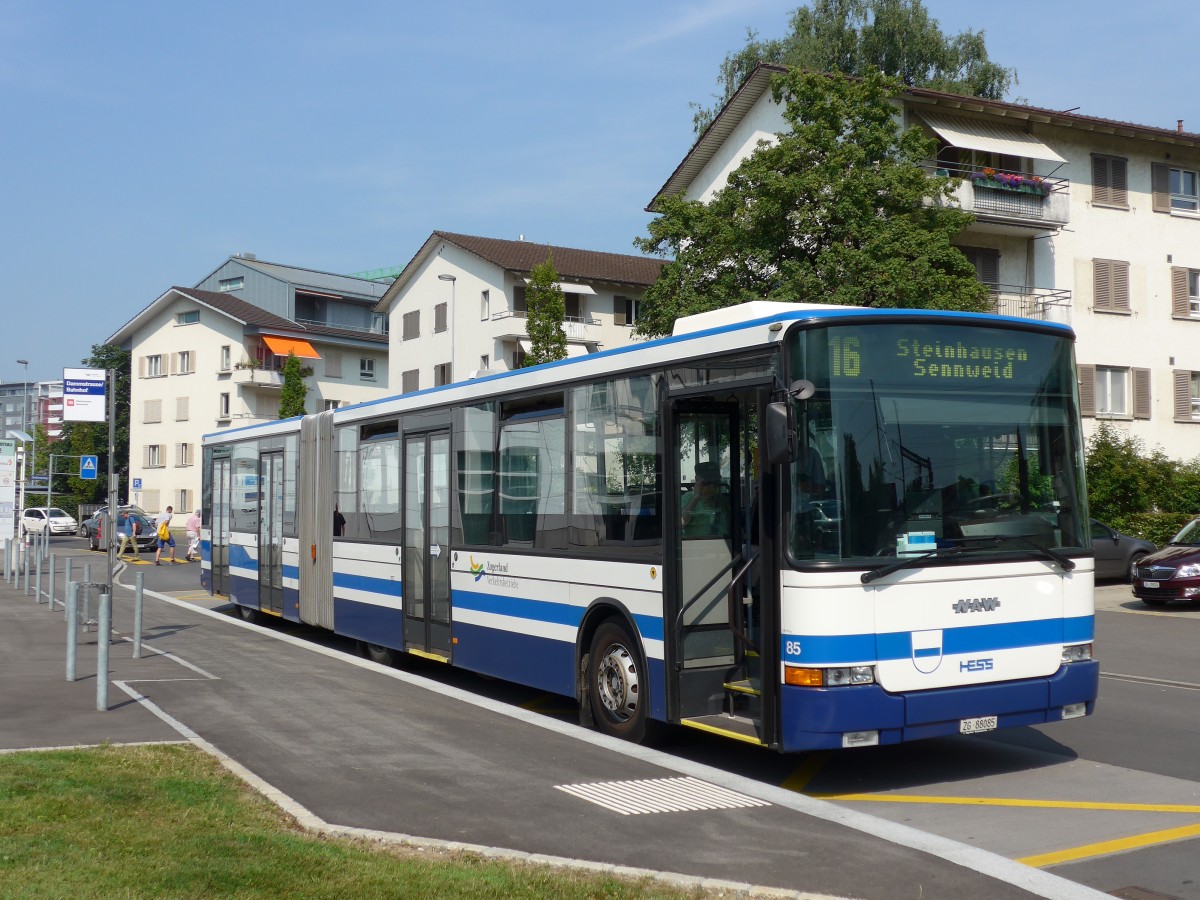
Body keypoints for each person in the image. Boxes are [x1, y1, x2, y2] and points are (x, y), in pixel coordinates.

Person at [681, 462, 731, 537]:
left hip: (723, 543)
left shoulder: (722, 501)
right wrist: (697, 496)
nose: (711, 486)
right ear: (697, 479)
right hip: (697, 544)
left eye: (715, 482)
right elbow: (681, 523)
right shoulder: (687, 498)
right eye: (707, 482)